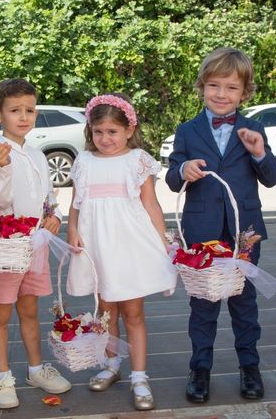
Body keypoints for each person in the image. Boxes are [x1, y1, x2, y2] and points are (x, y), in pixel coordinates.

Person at [165, 48, 276, 403]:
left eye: (231, 88)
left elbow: (273, 177)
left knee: (245, 303)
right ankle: (200, 368)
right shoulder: (187, 130)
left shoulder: (254, 128)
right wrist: (182, 171)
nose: (221, 94)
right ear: (202, 86)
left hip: (243, 233)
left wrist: (260, 152)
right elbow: (173, 177)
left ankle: (250, 366)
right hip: (201, 233)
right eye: (214, 85)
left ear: (244, 93)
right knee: (203, 305)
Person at [66, 93, 177, 411]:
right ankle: (111, 365)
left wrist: (163, 239)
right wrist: (72, 229)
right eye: (98, 132)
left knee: (133, 313)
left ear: (129, 130)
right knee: (105, 312)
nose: (105, 138)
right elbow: (76, 203)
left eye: (112, 132)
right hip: (97, 245)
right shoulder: (84, 161)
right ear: (90, 131)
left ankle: (139, 376)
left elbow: (151, 203)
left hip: (129, 245)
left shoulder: (137, 159)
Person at [0, 78, 71, 409]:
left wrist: (54, 215)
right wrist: (0, 170)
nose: (24, 116)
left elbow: (46, 197)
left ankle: (34, 368)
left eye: (30, 110)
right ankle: (1, 375)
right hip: (6, 244)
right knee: (1, 312)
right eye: (15, 110)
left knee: (30, 308)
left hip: (35, 244)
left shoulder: (37, 154)